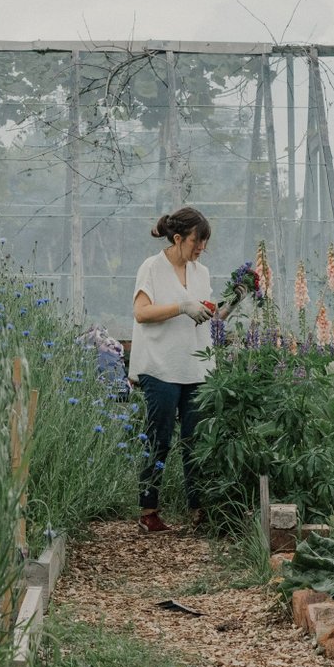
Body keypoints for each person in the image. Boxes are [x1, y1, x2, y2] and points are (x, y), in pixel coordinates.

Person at [128, 206, 243, 533]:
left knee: (197, 440)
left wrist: (230, 306)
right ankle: (149, 511)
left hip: (195, 366)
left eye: (204, 242)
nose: (201, 248)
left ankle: (199, 511)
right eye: (196, 241)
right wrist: (181, 307)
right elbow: (141, 313)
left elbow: (207, 318)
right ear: (177, 238)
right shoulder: (152, 268)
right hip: (160, 365)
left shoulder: (201, 273)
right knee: (159, 438)